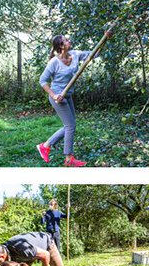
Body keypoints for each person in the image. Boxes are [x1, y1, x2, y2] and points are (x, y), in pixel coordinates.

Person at [35, 30, 112, 167]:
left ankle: (45, 146)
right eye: (65, 40)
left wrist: (105, 39)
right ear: (61, 46)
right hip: (58, 97)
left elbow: (95, 53)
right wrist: (54, 95)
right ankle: (68, 158)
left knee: (70, 125)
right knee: (70, 125)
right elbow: (42, 81)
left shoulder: (76, 55)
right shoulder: (54, 62)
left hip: (68, 95)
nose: (69, 40)